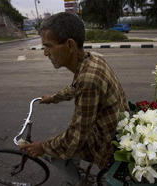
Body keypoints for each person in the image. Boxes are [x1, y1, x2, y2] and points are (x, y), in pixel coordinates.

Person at [21, 12, 129, 184]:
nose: (45, 53)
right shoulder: (92, 59)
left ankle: (79, 182)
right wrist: (53, 98)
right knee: (62, 140)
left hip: (107, 144)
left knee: (57, 147)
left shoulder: (88, 79)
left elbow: (75, 137)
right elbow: (74, 87)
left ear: (70, 44)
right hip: (114, 127)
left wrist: (42, 147)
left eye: (48, 46)